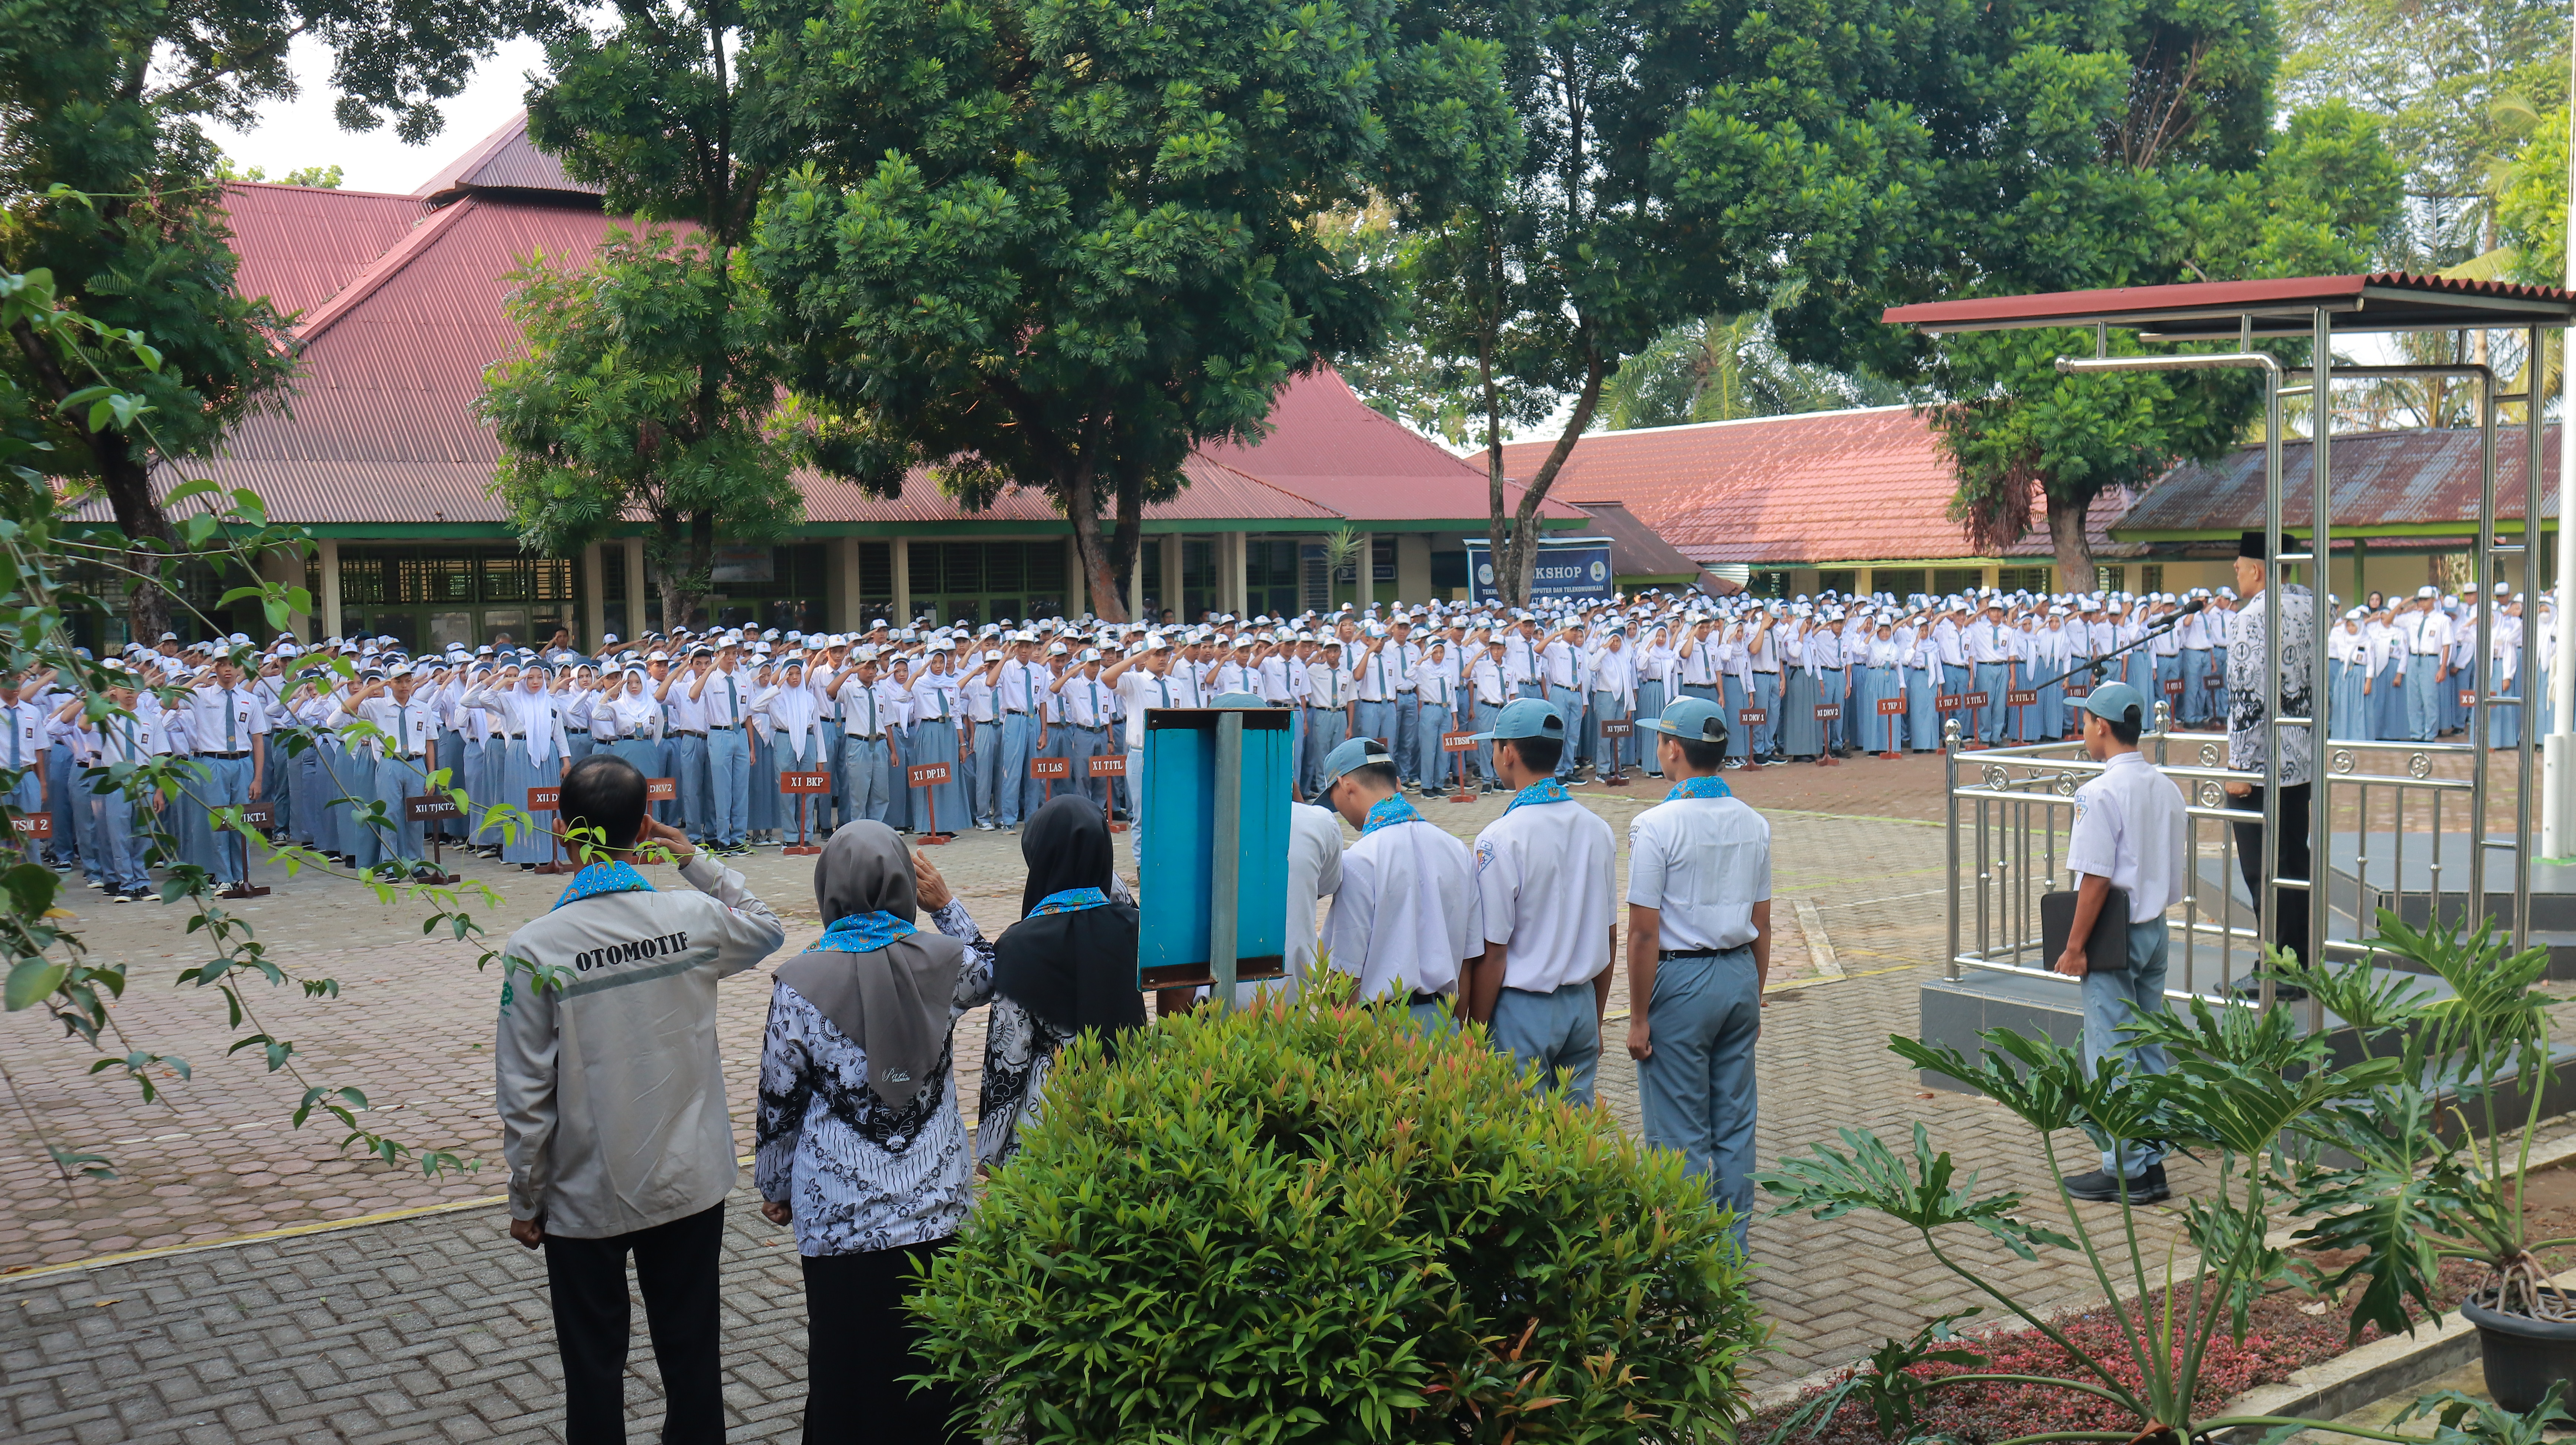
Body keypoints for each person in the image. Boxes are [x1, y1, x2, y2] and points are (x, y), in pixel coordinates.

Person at [494, 754, 787, 1445]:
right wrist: (694, 860)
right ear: (645, 826)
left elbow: (525, 1092)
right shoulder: (691, 916)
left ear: (562, 828)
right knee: (693, 1357)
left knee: (593, 1368)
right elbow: (767, 925)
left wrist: (526, 1195)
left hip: (585, 1192)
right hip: (688, 1181)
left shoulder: (535, 948)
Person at [755, 822, 993, 1445]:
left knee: (847, 1371)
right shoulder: (947, 963)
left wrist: (775, 1186)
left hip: (840, 1219)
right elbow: (995, 971)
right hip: (937, 1209)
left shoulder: (799, 982)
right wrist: (946, 905)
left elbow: (779, 1099)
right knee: (938, 1370)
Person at [1623, 698, 1771, 1247]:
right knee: (1734, 1125)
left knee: (1679, 1132)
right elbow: (1763, 922)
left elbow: (1643, 933)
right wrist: (1754, 995)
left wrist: (1639, 1017)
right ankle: (1731, 1250)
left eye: (1661, 740)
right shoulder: (1753, 822)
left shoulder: (1654, 825)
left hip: (1680, 983)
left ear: (1673, 750)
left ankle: (1685, 1255)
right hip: (1738, 974)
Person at [939, 795, 1145, 1167]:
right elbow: (1117, 897)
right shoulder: (1136, 929)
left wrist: (989, 1153)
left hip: (1049, 1131)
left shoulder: (1020, 946)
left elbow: (1008, 1060)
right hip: (1130, 1115)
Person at [2053, 681, 2185, 1203]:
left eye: (2085, 722)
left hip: (2114, 933)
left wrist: (2075, 946)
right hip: (2155, 930)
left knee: (2110, 1054)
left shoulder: (2099, 793)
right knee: (2148, 1048)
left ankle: (2125, 1169)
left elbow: (2095, 878)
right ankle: (2152, 1162)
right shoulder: (2165, 786)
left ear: (2102, 727)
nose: (2083, 731)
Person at [1465, 698, 1617, 1102]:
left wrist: (1475, 1033)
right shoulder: (1598, 829)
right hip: (1582, 1003)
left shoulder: (1500, 838)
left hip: (1523, 1010)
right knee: (1574, 1131)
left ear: (1508, 754)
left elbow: (1494, 953)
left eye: (1495, 746)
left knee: (1520, 1131)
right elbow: (1610, 936)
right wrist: (1597, 1019)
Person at [1314, 736, 1480, 1025]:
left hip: (1380, 1028)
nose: (1337, 810)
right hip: (1444, 1022)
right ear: (1398, 784)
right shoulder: (1456, 849)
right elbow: (1469, 958)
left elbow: (1346, 975)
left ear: (1346, 786)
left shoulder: (1359, 860)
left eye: (1333, 799)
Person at [2222, 530, 2315, 973]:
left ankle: (2277, 969)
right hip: (2301, 760)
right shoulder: (2312, 607)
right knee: (2295, 862)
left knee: (2264, 870)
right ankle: (2303, 961)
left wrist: (2240, 766)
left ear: (2258, 571)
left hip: (2262, 764)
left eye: (2240, 566)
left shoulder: (2251, 617)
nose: (2235, 572)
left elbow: (2248, 698)